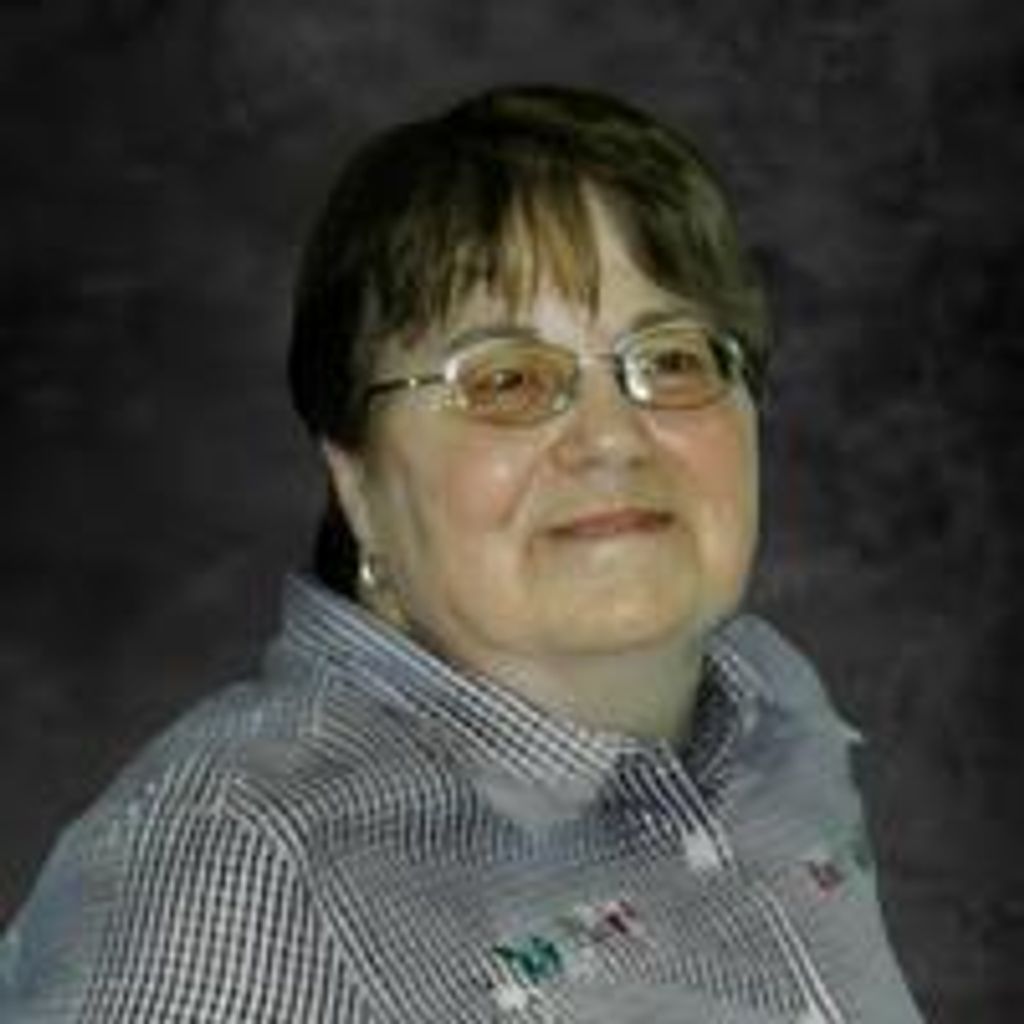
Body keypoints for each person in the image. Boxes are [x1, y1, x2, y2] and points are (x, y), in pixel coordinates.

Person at [0, 85, 923, 1022]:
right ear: (355, 478)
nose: (612, 437)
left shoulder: (775, 719)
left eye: (672, 359)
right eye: (506, 379)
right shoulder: (233, 868)